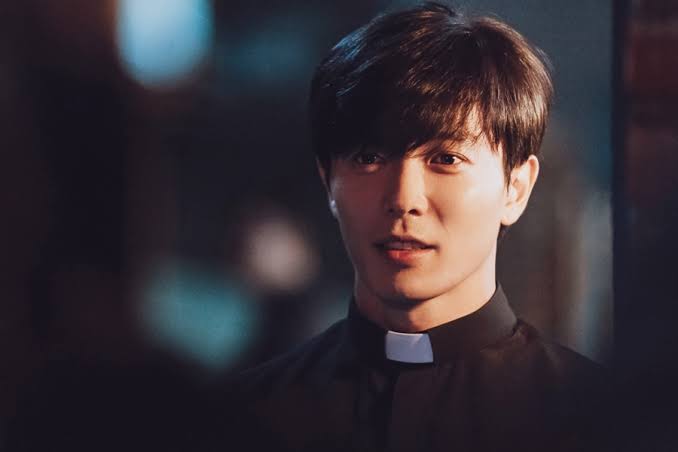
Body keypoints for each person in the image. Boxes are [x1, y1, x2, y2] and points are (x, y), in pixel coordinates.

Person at [221, 2, 609, 451]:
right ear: (329, 181)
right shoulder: (248, 417)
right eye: (370, 157)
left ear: (516, 188)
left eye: (445, 159)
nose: (404, 199)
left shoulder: (596, 419)